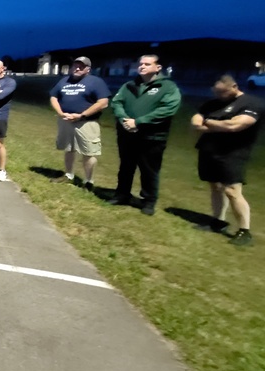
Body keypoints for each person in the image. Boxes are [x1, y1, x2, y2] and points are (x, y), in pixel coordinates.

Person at [191, 75, 261, 245]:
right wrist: (217, 124)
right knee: (215, 187)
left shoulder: (251, 103)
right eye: (217, 93)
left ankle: (244, 231)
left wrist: (208, 122)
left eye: (223, 93)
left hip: (233, 153)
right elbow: (195, 122)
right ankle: (218, 221)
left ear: (234, 86)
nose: (219, 96)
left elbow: (235, 126)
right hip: (209, 151)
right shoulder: (212, 104)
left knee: (232, 191)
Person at [110, 54, 181, 215]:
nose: (142, 67)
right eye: (140, 64)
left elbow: (168, 109)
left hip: (152, 138)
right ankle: (122, 194)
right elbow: (116, 102)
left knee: (149, 170)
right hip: (127, 134)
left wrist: (139, 121)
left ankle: (148, 201)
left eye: (147, 64)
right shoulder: (129, 85)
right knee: (126, 166)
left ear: (158, 67)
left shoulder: (168, 87)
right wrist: (125, 120)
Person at [48, 57, 110, 189]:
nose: (77, 68)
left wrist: (82, 115)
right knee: (69, 149)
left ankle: (88, 181)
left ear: (88, 69)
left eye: (81, 67)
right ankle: (69, 175)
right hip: (65, 121)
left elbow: (103, 102)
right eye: (75, 66)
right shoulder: (64, 81)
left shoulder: (96, 82)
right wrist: (60, 112)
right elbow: (54, 96)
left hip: (86, 122)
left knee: (88, 152)